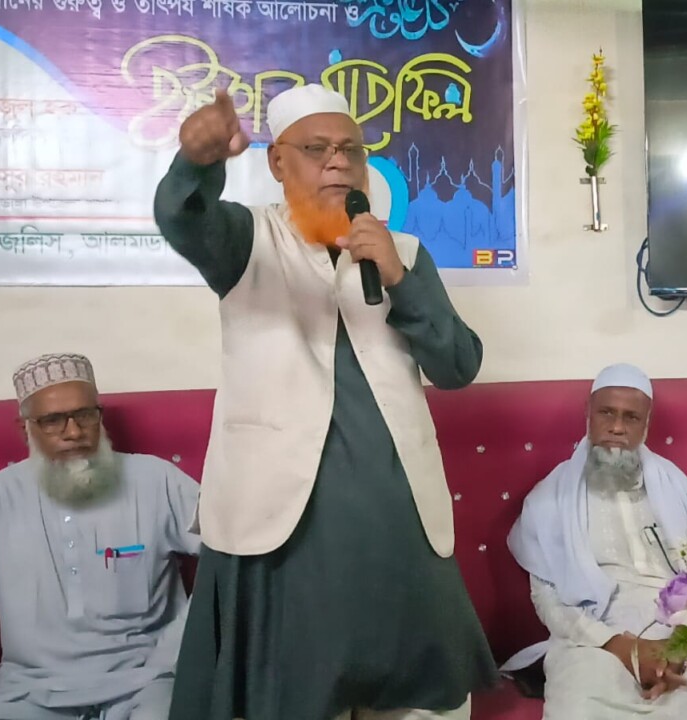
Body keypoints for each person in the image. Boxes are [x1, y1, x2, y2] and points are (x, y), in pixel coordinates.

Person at [153, 84, 495, 720]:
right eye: (316, 149)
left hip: (398, 521)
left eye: (350, 150)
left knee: (414, 699)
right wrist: (196, 163)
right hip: (279, 526)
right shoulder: (246, 239)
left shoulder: (403, 253)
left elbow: (457, 366)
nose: (338, 161)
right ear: (278, 163)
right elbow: (184, 217)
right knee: (291, 696)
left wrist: (398, 278)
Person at [0, 353, 199, 720]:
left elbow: (231, 552)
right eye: (53, 420)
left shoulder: (156, 479)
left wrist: (175, 650)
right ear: (25, 428)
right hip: (31, 693)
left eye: (85, 415)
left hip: (144, 684)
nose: (73, 432)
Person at [507, 364, 687, 719]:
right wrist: (623, 647)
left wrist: (680, 645)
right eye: (606, 413)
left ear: (646, 425)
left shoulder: (677, 488)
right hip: (593, 639)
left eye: (631, 417)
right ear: (588, 416)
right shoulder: (549, 499)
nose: (617, 427)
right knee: (580, 705)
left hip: (680, 632)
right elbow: (548, 599)